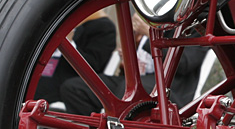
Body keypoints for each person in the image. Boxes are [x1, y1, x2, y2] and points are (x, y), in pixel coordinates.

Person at [60, 12, 209, 116]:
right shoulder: (151, 18)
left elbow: (183, 64)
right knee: (75, 89)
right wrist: (127, 57)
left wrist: (150, 35)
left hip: (170, 86)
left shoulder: (195, 24)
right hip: (136, 81)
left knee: (128, 90)